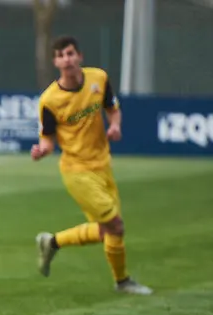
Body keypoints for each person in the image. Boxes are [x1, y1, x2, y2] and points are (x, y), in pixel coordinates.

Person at [32, 35, 152, 296]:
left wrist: (116, 125)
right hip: (77, 171)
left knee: (105, 231)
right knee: (115, 225)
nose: (67, 59)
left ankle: (52, 242)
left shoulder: (98, 78)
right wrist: (42, 150)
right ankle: (122, 282)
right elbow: (48, 140)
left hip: (103, 165)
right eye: (62, 55)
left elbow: (112, 108)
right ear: (55, 62)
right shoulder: (50, 100)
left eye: (71, 53)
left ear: (80, 56)